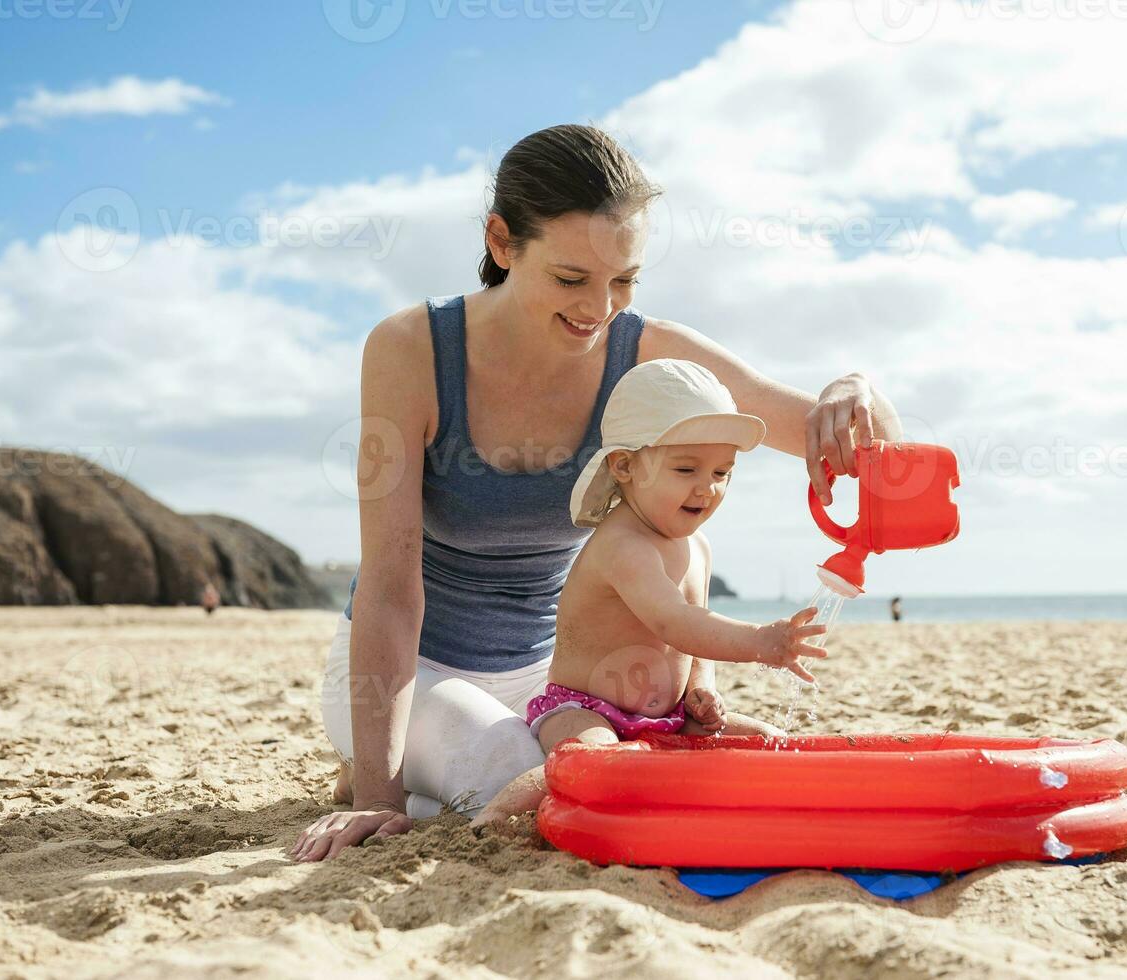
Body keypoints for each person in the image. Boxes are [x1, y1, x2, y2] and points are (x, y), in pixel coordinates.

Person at [290, 124, 902, 863]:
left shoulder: (646, 352)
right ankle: (388, 770)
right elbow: (390, 588)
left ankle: (434, 782)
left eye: (624, 280)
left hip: (560, 684)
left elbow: (850, 440)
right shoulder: (410, 349)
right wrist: (376, 800)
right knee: (549, 788)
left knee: (634, 776)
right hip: (414, 671)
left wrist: (855, 388)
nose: (598, 308)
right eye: (571, 279)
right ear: (501, 242)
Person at [476, 359, 827, 820]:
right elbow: (676, 623)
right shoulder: (624, 546)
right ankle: (492, 821)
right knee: (594, 758)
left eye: (722, 473)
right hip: (586, 711)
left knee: (768, 741)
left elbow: (696, 643)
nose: (707, 488)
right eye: (686, 469)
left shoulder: (697, 547)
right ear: (624, 466)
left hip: (671, 718)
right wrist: (761, 642)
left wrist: (702, 690)